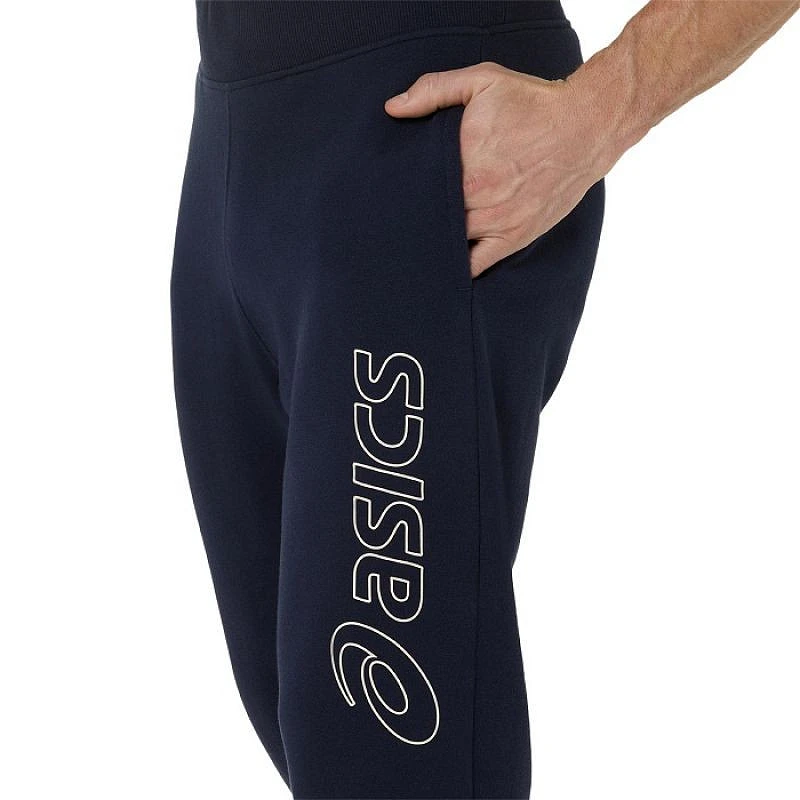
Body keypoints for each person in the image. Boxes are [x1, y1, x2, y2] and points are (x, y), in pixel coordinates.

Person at [170, 2, 797, 798]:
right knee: (318, 727)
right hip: (235, 131)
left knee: (389, 750)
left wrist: (606, 104)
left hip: (422, 127)